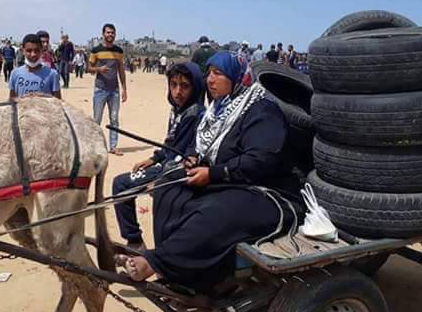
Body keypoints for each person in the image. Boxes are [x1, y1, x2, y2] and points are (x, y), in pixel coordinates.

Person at [120, 52, 294, 289]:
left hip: (265, 190)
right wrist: (193, 158)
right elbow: (201, 145)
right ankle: (176, 269)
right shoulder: (217, 110)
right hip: (229, 181)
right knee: (168, 187)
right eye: (209, 73)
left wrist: (212, 174)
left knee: (215, 212)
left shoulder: (261, 110)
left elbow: (261, 160)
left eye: (218, 73)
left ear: (237, 77)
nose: (210, 79)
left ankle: (158, 263)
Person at [113, 62, 206, 249]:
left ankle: (149, 249)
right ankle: (135, 241)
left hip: (176, 173)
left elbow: (190, 152)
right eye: (173, 85)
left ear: (195, 88)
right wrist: (153, 159)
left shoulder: (197, 114)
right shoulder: (178, 111)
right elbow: (170, 144)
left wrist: (162, 177)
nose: (178, 91)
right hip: (166, 166)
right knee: (120, 183)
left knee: (122, 184)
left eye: (185, 86)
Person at [88, 23, 127, 155]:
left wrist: (124, 89)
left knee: (114, 119)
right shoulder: (96, 50)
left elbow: (121, 70)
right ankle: (94, 146)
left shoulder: (119, 51)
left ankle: (113, 146)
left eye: (112, 32)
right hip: (100, 89)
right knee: (97, 119)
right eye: (108, 32)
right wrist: (99, 69)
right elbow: (88, 68)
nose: (110, 34)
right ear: (103, 34)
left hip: (114, 90)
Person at [8, 34, 61, 98]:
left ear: (41, 50)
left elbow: (58, 103)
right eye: (29, 51)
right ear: (23, 50)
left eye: (36, 50)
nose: (33, 54)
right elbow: (12, 102)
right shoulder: (15, 74)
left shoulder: (52, 74)